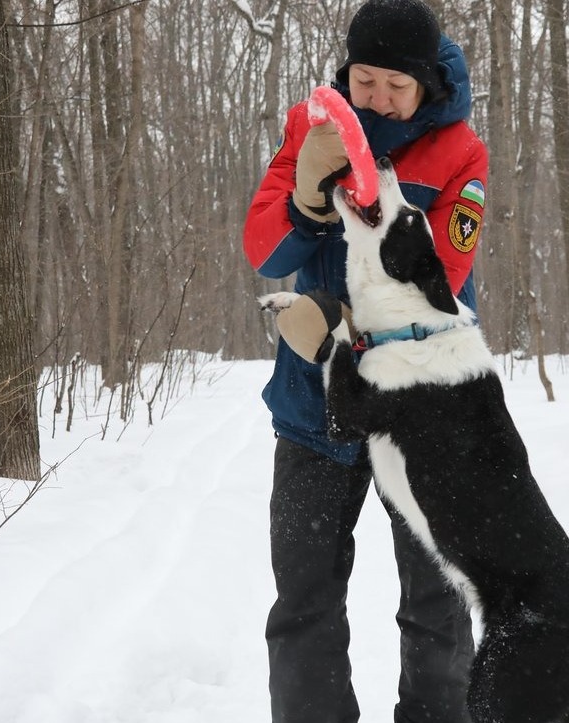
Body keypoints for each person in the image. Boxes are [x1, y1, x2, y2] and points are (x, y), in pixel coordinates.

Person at [242, 1, 488, 721]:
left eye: (396, 85)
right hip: (312, 407)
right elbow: (265, 250)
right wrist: (306, 203)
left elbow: (439, 282)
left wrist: (345, 328)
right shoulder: (309, 127)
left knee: (438, 599)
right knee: (304, 600)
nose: (378, 97)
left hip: (423, 411)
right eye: (365, 80)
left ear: (426, 82)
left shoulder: (459, 153)